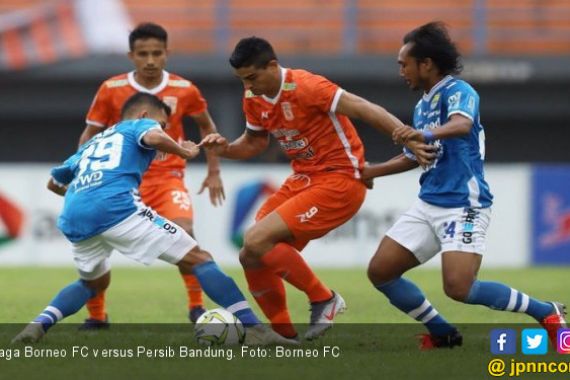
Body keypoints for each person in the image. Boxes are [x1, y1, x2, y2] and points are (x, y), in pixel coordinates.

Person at [11, 93, 294, 346]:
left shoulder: (92, 143)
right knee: (200, 258)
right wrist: (184, 151)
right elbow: (154, 137)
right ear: (146, 116)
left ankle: (35, 328)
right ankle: (257, 330)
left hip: (75, 216)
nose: (164, 129)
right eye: (163, 123)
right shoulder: (139, 125)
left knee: (92, 284)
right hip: (117, 210)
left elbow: (53, 182)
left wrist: (88, 200)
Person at [199, 36, 430, 341]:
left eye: (252, 78)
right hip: (303, 179)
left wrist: (405, 135)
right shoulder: (253, 97)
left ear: (272, 66)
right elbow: (254, 143)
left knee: (256, 239)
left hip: (340, 180)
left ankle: (324, 299)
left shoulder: (306, 86)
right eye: (242, 81)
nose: (249, 87)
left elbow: (363, 108)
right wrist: (223, 148)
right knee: (251, 253)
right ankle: (283, 336)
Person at [363, 21, 567, 349]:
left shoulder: (458, 91)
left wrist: (424, 133)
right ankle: (442, 332)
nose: (401, 71)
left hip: (464, 203)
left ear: (426, 63)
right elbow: (415, 155)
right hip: (429, 202)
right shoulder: (422, 105)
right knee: (381, 272)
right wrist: (370, 172)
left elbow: (461, 124)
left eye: (404, 64)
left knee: (459, 288)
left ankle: (546, 311)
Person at [78, 23, 224, 327]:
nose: (150, 60)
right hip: (120, 180)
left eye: (157, 53)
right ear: (131, 55)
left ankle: (196, 307)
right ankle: (97, 316)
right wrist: (82, 170)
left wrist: (214, 170)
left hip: (166, 176)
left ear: (167, 54)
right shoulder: (112, 89)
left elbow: (207, 127)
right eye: (143, 53)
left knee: (186, 234)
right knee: (96, 245)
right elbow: (91, 132)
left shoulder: (185, 90)